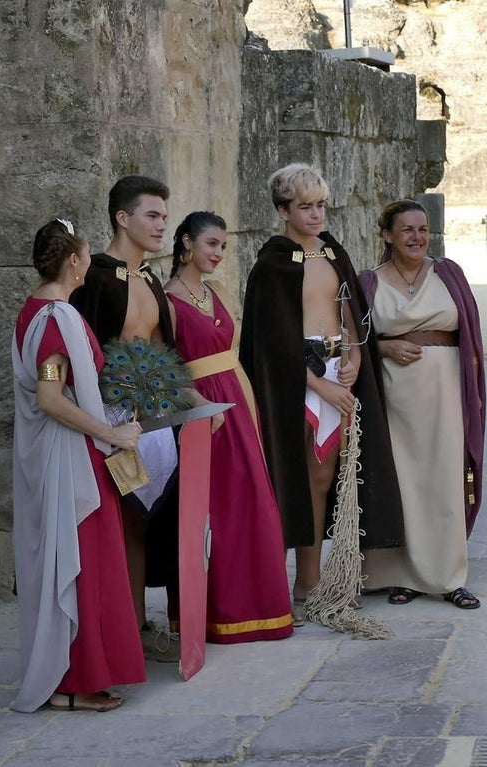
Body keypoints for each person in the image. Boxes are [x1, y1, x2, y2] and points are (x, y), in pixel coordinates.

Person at [238, 163, 402, 621]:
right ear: (283, 211)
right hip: (298, 380)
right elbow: (271, 341)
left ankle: (315, 577)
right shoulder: (272, 264)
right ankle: (292, 582)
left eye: (321, 206)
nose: (316, 215)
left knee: (326, 477)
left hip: (338, 369)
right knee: (297, 474)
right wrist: (318, 385)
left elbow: (352, 315)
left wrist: (354, 360)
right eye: (305, 207)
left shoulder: (333, 252)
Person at [70, 175, 220, 662]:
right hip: (102, 418)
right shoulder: (94, 278)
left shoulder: (151, 280)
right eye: (152, 215)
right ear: (122, 218)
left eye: (163, 216)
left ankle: (133, 623)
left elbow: (161, 353)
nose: (161, 225)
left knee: (138, 521)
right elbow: (78, 357)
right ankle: (108, 628)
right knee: (107, 522)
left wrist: (193, 399)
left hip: (151, 418)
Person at [11, 219, 146, 713]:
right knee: (82, 565)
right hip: (69, 457)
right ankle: (72, 682)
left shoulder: (38, 310)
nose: (90, 262)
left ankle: (81, 675)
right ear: (73, 261)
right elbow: (51, 397)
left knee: (85, 564)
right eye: (86, 254)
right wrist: (111, 434)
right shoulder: (54, 320)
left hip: (67, 452)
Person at [164, 211, 294, 643]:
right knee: (219, 507)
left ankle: (263, 609)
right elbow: (165, 367)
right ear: (187, 243)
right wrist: (198, 403)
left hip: (238, 398)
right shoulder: (167, 301)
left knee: (254, 500)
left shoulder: (216, 290)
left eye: (223, 245)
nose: (219, 253)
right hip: (205, 409)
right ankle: (220, 614)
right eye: (211, 244)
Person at [357, 200, 486, 609]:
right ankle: (403, 575)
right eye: (407, 230)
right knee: (403, 482)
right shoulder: (369, 282)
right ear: (387, 235)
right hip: (393, 397)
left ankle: (448, 577)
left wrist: (474, 392)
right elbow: (354, 341)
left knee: (445, 477)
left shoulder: (448, 274)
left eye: (423, 229)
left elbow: (470, 334)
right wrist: (385, 346)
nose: (417, 237)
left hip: (446, 390)